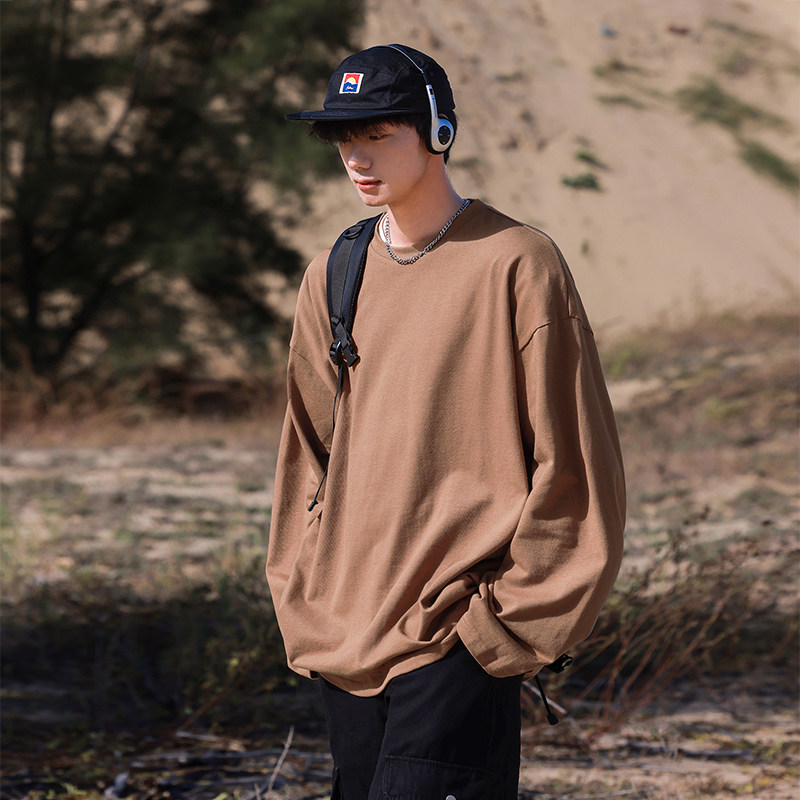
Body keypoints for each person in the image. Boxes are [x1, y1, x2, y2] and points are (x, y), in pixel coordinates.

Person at [267, 43, 625, 800]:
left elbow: (574, 463)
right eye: (344, 139)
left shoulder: (517, 262)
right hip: (346, 634)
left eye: (378, 134)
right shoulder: (333, 273)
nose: (357, 158)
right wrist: (304, 595)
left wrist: (503, 626)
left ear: (438, 131)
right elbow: (308, 454)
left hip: (455, 634)